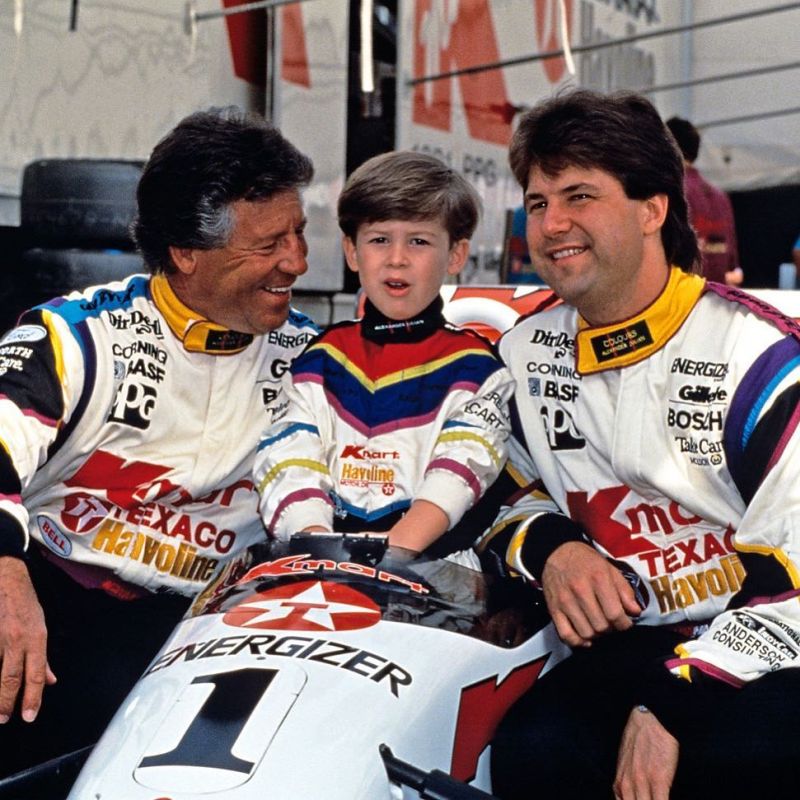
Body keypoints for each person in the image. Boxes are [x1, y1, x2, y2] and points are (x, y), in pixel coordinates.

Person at [481, 89, 800, 799]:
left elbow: (797, 570)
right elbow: (489, 486)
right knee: (534, 747)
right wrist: (553, 549)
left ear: (653, 209)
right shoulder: (524, 354)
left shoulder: (760, 356)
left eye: (580, 196)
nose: (552, 224)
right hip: (629, 639)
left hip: (767, 638)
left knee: (748, 757)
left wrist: (678, 696)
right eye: (538, 202)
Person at [0, 107, 319, 776]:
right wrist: (5, 573)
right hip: (62, 604)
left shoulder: (316, 361)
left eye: (299, 232)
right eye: (269, 243)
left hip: (212, 630)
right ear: (185, 252)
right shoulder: (78, 337)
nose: (296, 261)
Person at [253, 150, 513, 556]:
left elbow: (464, 464)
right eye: (379, 240)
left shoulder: (477, 367)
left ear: (456, 255)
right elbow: (289, 456)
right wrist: (315, 540)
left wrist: (396, 549)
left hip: (436, 567)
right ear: (352, 251)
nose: (397, 259)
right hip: (321, 561)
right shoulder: (320, 358)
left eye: (419, 241)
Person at [666, 115, 743, 286]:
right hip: (716, 294)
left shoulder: (671, 192)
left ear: (666, 147)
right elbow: (734, 267)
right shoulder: (721, 197)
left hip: (682, 294)